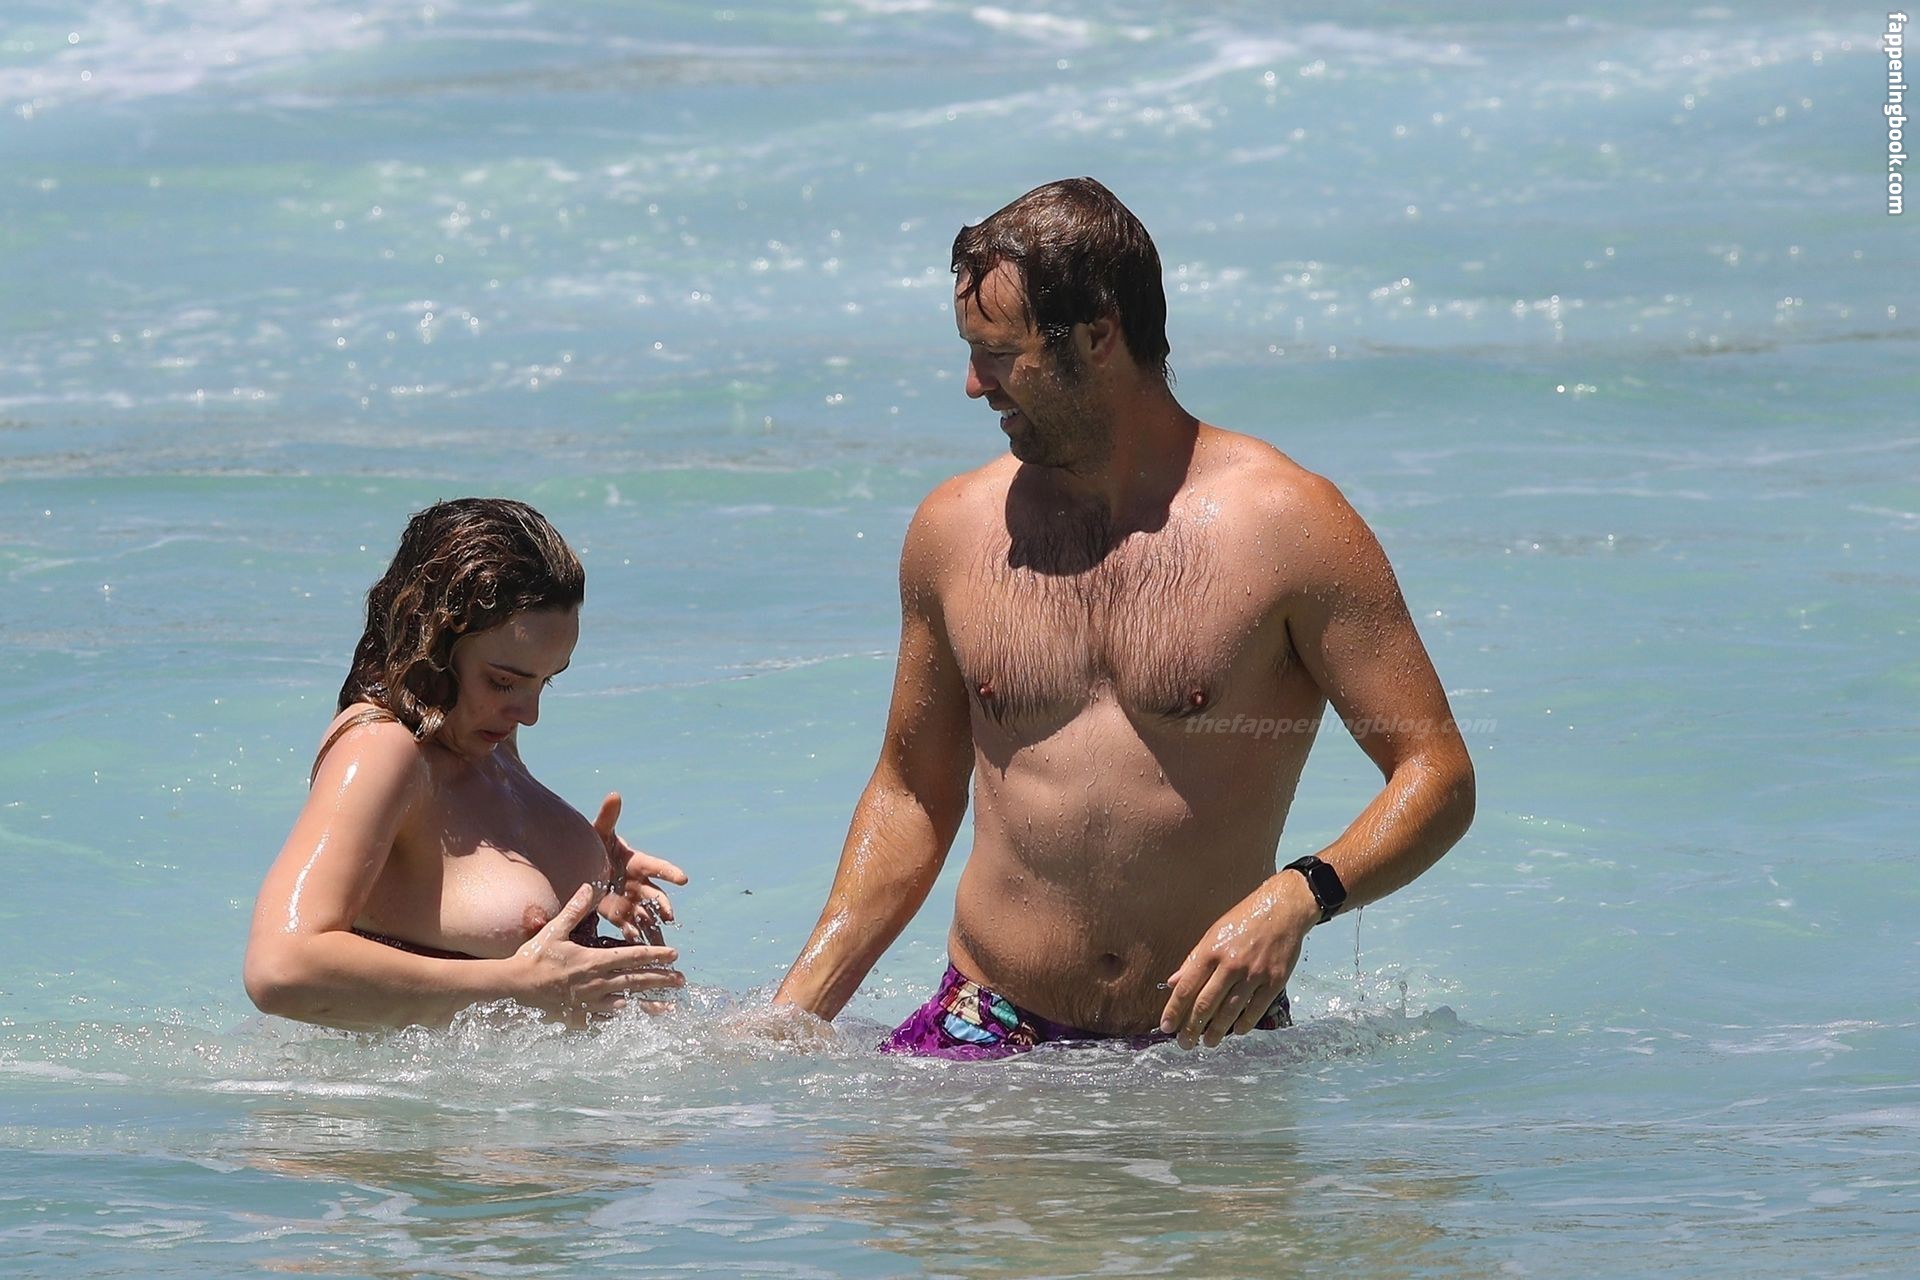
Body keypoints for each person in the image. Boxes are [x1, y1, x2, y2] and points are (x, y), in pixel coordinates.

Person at [772, 178, 1475, 1057]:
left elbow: (1436, 775)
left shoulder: (1288, 525)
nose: (973, 384)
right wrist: (790, 1016)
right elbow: (912, 792)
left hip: (1210, 1038)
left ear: (1099, 336)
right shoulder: (954, 530)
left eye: (999, 353)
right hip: (990, 1027)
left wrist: (1300, 895)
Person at [244, 498, 688, 1030]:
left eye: (546, 680)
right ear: (432, 645)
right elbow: (280, 968)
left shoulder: (482, 736)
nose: (529, 714)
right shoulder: (382, 749)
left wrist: (593, 878)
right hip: (423, 1090)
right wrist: (516, 986)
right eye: (503, 681)